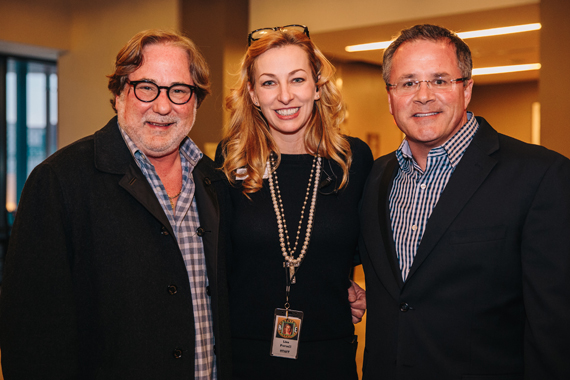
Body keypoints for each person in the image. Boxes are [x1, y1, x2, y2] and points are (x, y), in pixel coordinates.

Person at [0, 29, 231, 380]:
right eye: (146, 87)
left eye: (179, 90)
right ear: (120, 93)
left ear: (196, 101)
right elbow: (31, 335)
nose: (163, 105)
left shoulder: (216, 181)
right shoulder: (59, 181)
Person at [359, 24, 570, 379]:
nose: (423, 95)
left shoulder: (541, 176)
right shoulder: (375, 177)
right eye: (408, 82)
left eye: (440, 80)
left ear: (467, 89)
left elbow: (555, 326)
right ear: (390, 96)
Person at [216, 25, 372, 379]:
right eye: (269, 82)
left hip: (329, 353)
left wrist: (352, 288)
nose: (285, 96)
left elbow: (371, 249)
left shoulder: (352, 160)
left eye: (297, 79)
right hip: (246, 353)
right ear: (253, 94)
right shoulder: (232, 159)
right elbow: (219, 257)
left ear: (317, 87)